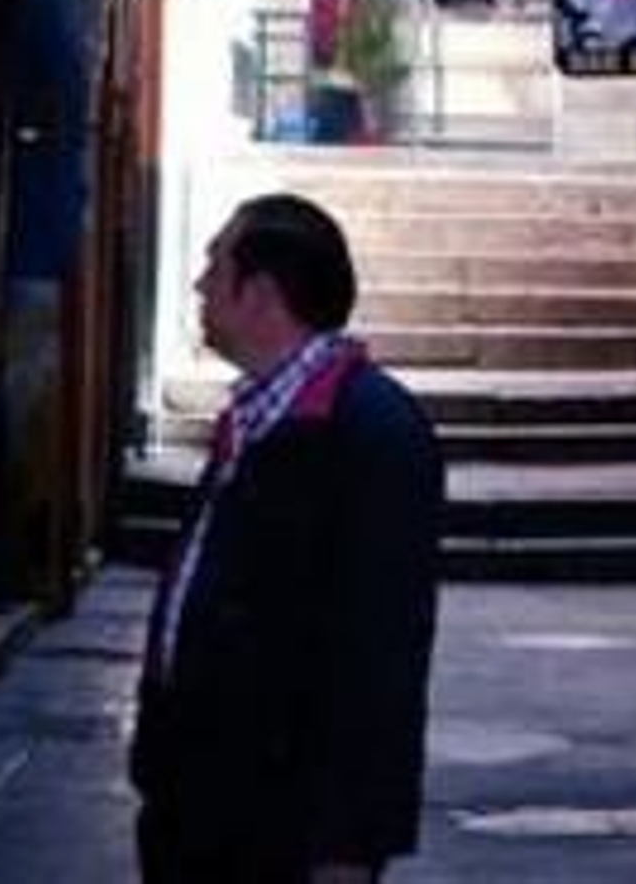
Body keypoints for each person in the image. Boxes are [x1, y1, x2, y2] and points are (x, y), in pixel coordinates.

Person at [132, 193, 445, 882]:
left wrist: (349, 842)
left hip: (280, 823)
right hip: (197, 806)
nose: (198, 285)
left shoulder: (373, 431)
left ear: (261, 293)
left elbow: (381, 656)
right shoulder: (256, 413)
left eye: (215, 267)